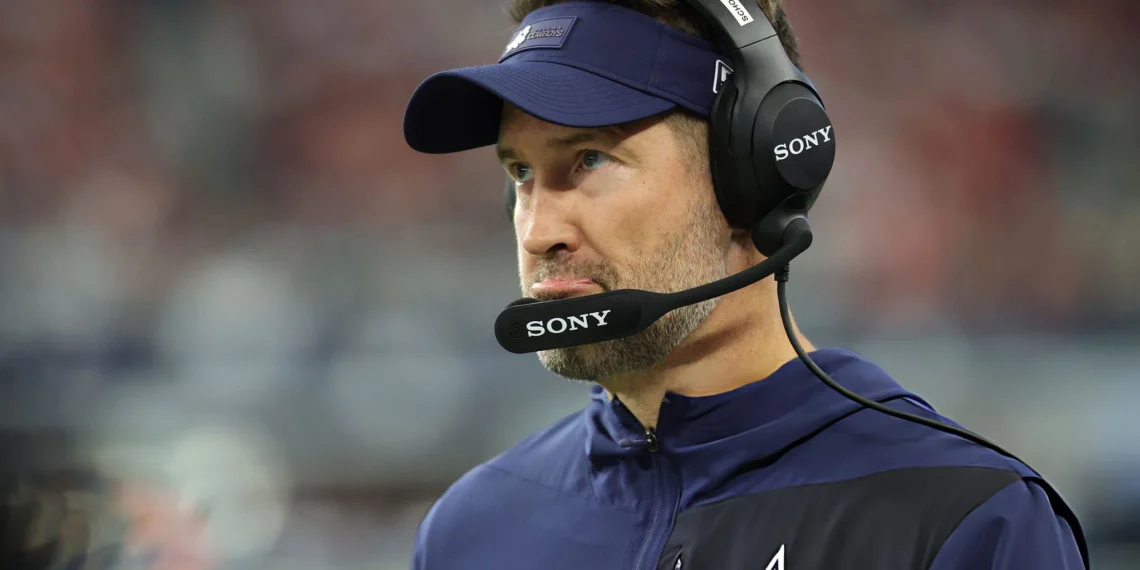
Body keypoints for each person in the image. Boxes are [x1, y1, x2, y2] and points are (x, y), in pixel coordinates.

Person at [400, 1, 1088, 568]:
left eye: (588, 158)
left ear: (750, 171)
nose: (536, 231)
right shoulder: (471, 531)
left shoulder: (961, 518)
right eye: (519, 172)